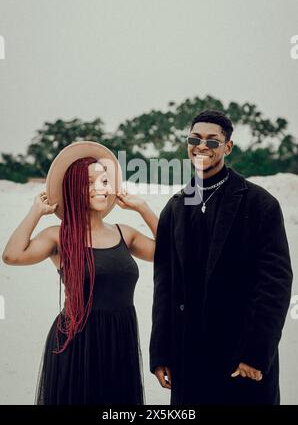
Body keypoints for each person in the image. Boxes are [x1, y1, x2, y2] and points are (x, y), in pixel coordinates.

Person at [149, 110, 293, 405]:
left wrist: (255, 354)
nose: (202, 146)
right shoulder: (174, 208)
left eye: (212, 141)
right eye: (194, 138)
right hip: (188, 358)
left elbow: (275, 286)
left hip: (239, 360)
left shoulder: (260, 204)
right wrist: (161, 353)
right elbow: (164, 286)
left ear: (227, 147)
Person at [2, 141, 158, 405]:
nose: (101, 188)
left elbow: (171, 253)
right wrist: (35, 213)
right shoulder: (59, 237)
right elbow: (12, 256)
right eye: (90, 182)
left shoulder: (124, 233)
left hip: (120, 338)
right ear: (74, 189)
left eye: (105, 181)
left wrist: (142, 207)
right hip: (77, 342)